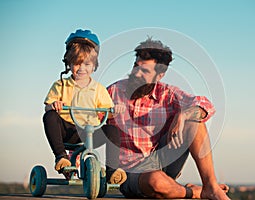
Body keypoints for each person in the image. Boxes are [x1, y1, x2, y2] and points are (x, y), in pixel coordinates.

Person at [106, 38, 230, 199]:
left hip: (161, 159)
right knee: (156, 182)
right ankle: (195, 192)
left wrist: (183, 115)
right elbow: (88, 123)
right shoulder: (113, 92)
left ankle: (211, 186)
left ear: (160, 75)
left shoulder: (167, 94)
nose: (136, 73)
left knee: (194, 122)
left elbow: (206, 106)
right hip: (130, 172)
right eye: (135, 66)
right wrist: (75, 158)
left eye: (144, 71)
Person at [42, 29, 118, 178]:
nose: (82, 68)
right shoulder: (61, 85)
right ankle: (61, 157)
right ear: (69, 63)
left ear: (94, 66)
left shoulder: (98, 89)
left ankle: (112, 171)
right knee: (49, 116)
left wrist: (115, 110)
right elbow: (47, 106)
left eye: (87, 64)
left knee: (112, 131)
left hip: (90, 132)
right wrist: (54, 105)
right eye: (77, 63)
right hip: (68, 131)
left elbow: (110, 111)